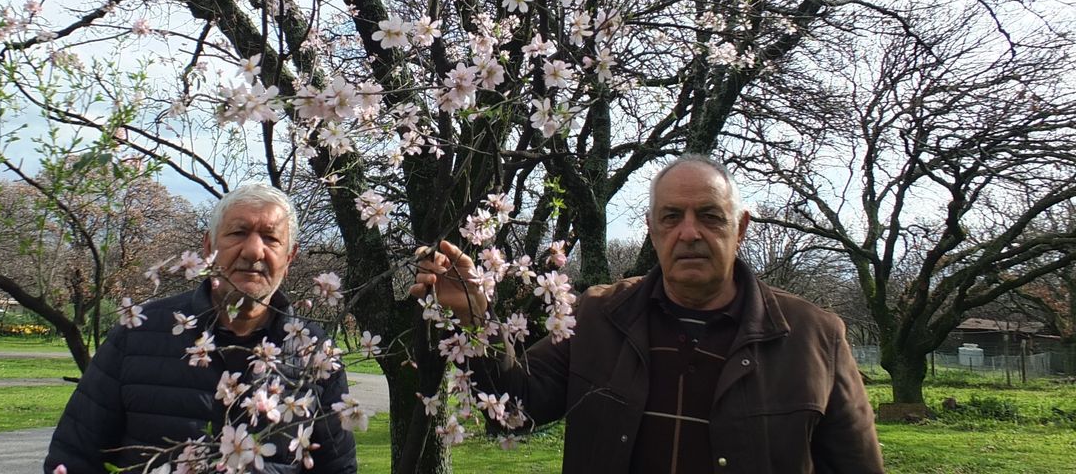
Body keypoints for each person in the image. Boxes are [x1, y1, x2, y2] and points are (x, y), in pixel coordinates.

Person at [412, 155, 883, 473]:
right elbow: (514, 409)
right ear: (652, 230)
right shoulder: (597, 316)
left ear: (740, 228)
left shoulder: (814, 337)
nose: (689, 233)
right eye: (672, 217)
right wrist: (476, 319)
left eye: (710, 216)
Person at [46, 182, 357, 474]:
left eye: (271, 238)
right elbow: (73, 457)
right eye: (238, 233)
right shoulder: (138, 334)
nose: (253, 251)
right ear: (209, 247)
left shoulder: (315, 353)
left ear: (290, 257)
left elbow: (337, 468)